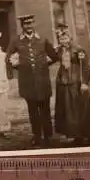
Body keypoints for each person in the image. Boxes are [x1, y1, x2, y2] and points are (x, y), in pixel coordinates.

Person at [6, 15, 59, 147]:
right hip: (27, 82)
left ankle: (48, 135)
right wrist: (17, 67)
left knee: (45, 110)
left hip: (43, 81)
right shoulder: (16, 41)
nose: (28, 26)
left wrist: (43, 65)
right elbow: (8, 58)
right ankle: (37, 136)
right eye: (26, 24)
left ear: (33, 24)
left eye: (30, 24)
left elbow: (54, 56)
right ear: (22, 26)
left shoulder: (42, 39)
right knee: (33, 111)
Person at [53, 25, 90, 146]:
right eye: (61, 38)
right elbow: (51, 58)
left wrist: (85, 82)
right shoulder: (59, 50)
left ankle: (88, 135)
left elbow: (85, 66)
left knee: (82, 110)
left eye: (65, 37)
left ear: (69, 37)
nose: (63, 40)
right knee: (70, 112)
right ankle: (76, 136)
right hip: (64, 84)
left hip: (76, 83)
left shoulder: (78, 49)